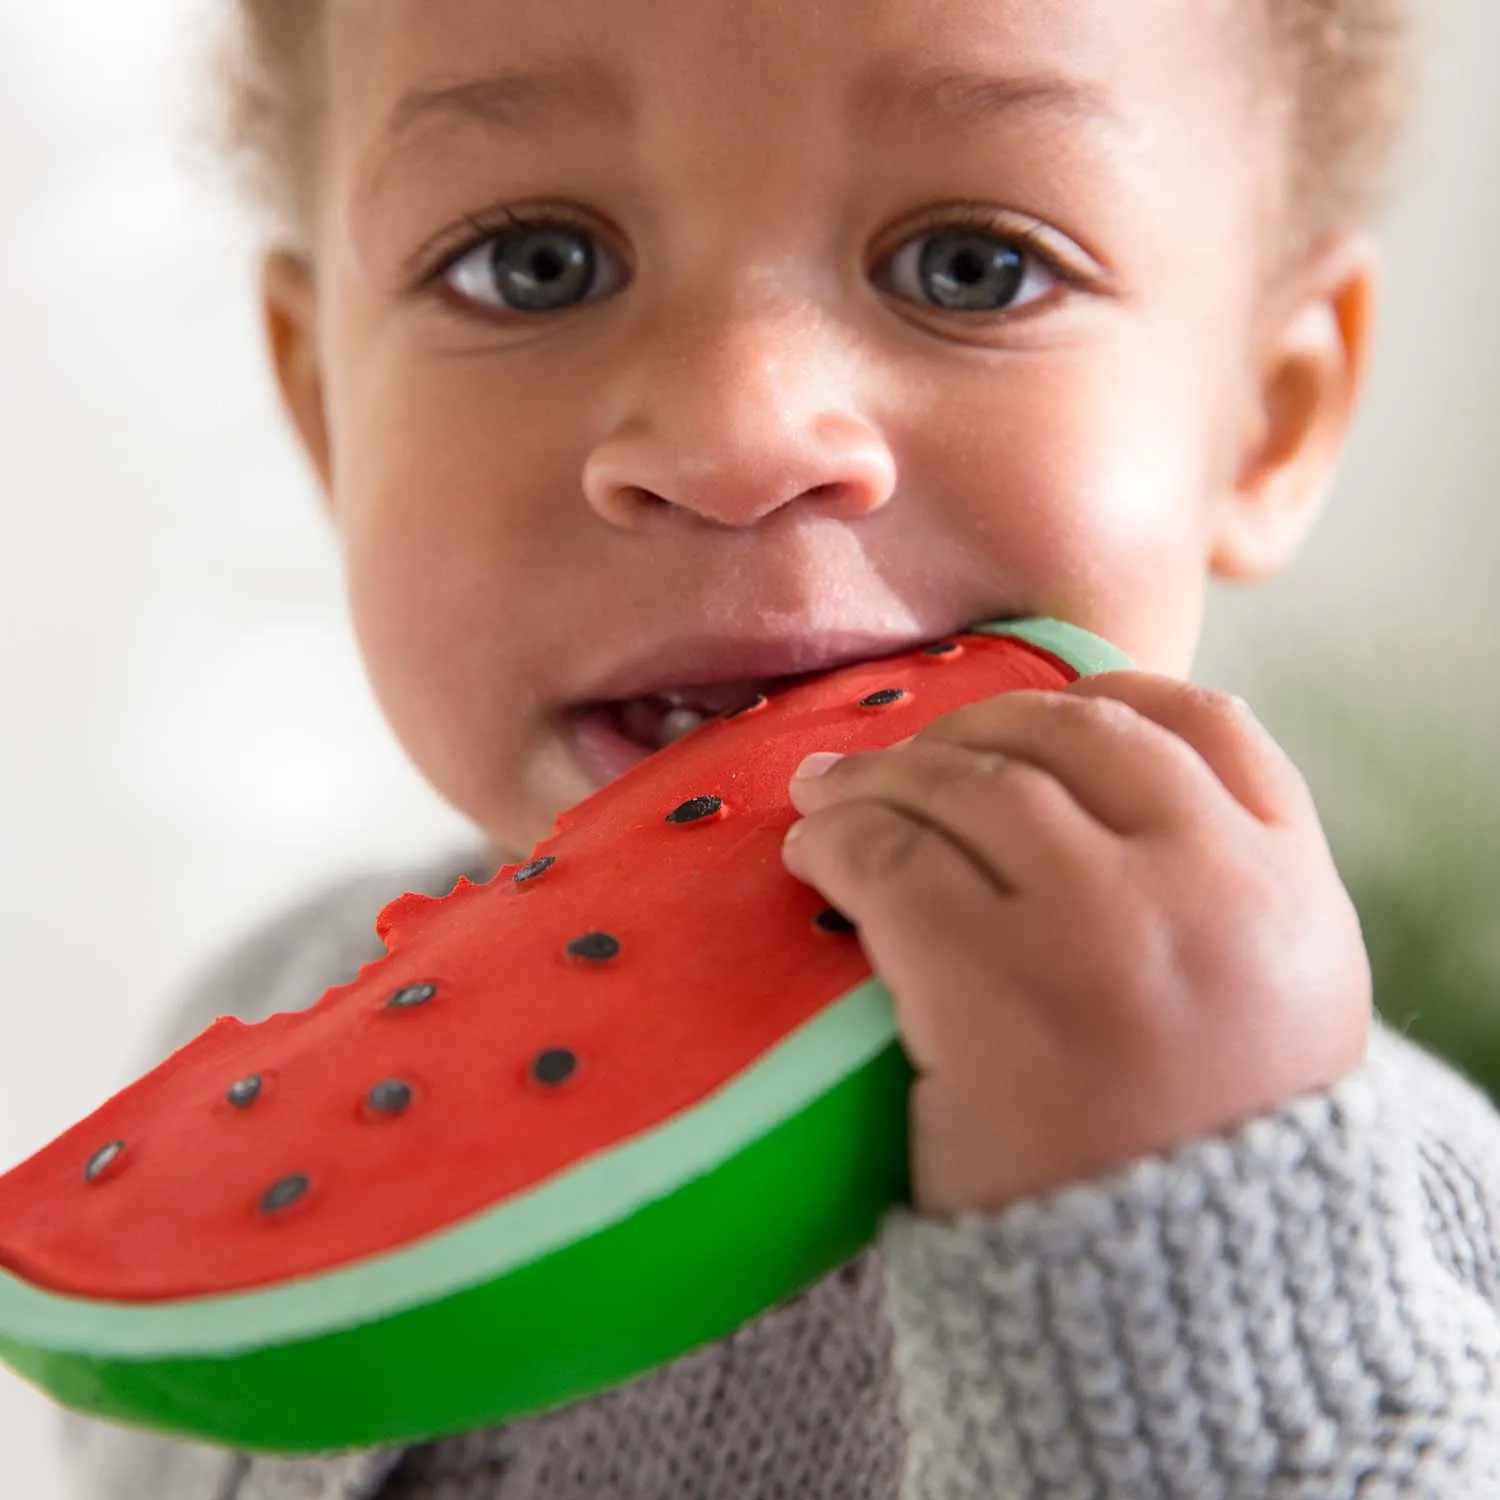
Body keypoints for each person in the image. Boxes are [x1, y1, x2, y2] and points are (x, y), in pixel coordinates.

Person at [61, 1, 1500, 1496]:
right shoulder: (255, 1023)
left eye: (973, 268)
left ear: (1268, 418)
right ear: (324, 411)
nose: (736, 437)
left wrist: (1178, 1263)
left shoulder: (1389, 1216)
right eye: (534, 265)